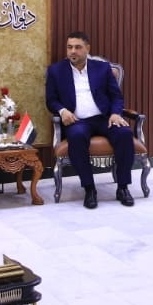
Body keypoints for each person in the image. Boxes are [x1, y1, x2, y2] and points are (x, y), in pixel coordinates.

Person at [45, 31, 136, 208]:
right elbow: (51, 100)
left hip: (104, 118)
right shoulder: (56, 71)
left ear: (87, 48)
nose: (73, 51)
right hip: (77, 121)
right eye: (69, 47)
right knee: (77, 137)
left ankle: (123, 187)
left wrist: (115, 113)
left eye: (77, 47)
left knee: (125, 134)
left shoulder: (102, 68)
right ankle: (89, 189)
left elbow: (116, 96)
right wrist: (62, 111)